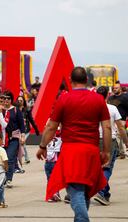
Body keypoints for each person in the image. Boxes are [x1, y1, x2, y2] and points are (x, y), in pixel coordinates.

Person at [36, 67, 111, 222]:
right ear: (86, 80)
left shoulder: (64, 99)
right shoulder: (98, 99)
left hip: (71, 150)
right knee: (86, 189)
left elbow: (51, 126)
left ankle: (83, 220)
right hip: (91, 150)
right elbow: (107, 127)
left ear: (70, 80)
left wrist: (42, 146)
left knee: (75, 189)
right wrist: (107, 151)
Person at [94, 86, 128, 205]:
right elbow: (121, 127)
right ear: (107, 95)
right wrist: (126, 142)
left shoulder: (92, 108)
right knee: (106, 168)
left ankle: (106, 193)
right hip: (110, 140)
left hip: (95, 140)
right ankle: (102, 192)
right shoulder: (113, 108)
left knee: (99, 168)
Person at [1, 91, 25, 188]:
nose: (6, 100)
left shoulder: (15, 110)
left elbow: (21, 125)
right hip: (2, 138)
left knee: (10, 158)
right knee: (2, 159)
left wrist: (22, 136)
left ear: (11, 100)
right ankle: (1, 178)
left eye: (8, 98)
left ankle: (9, 179)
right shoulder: (0, 110)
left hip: (13, 138)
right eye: (5, 98)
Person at [16, 96, 40, 164]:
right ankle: (26, 158)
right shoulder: (15, 110)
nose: (20, 102)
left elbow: (31, 120)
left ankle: (23, 157)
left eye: (21, 100)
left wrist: (36, 129)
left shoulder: (27, 110)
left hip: (26, 130)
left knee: (22, 143)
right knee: (22, 144)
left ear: (23, 101)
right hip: (18, 130)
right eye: (18, 100)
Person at [108, 83, 128, 159]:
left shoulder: (125, 97)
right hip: (112, 120)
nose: (114, 89)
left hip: (121, 119)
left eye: (116, 88)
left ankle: (120, 152)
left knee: (119, 135)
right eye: (114, 88)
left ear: (120, 89)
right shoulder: (111, 98)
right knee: (117, 136)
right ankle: (121, 152)